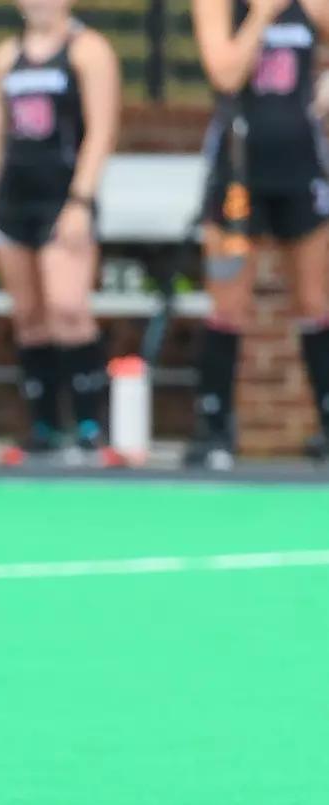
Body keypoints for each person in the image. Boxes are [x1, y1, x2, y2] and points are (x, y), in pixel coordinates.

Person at [0, 0, 120, 465]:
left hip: (63, 197)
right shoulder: (5, 56)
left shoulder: (88, 50)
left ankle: (90, 427)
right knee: (29, 316)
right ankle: (43, 428)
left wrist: (80, 201)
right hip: (14, 200)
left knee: (67, 308)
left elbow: (101, 131)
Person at [187, 0, 329, 467]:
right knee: (229, 300)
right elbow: (225, 73)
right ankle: (214, 429)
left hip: (301, 170)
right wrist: (261, 15)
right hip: (237, 174)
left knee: (315, 300)